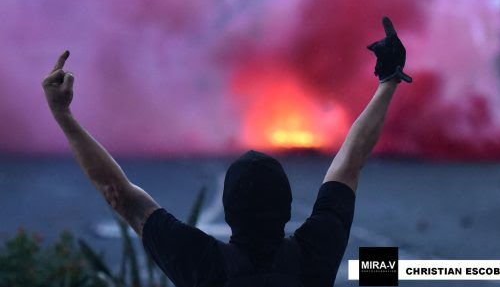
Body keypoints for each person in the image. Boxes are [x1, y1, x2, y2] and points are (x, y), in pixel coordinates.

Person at [42, 17, 411, 287]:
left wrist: (63, 115)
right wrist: (389, 80)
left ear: (229, 211)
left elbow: (120, 195)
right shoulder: (316, 252)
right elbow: (350, 161)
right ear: (287, 209)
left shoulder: (200, 263)